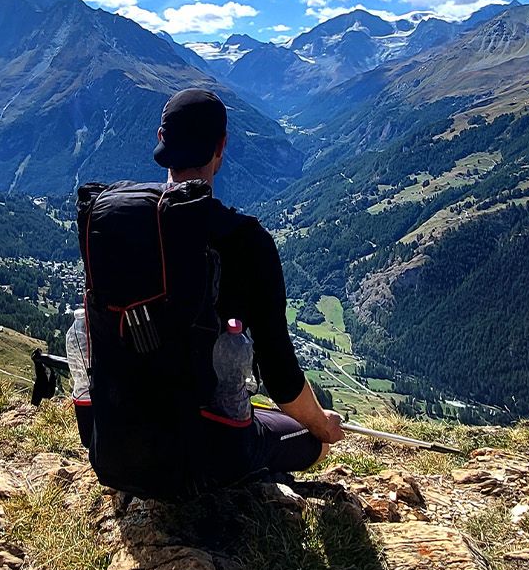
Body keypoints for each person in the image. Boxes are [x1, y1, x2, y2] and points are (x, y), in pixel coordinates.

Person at [74, 88, 345, 498]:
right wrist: (322, 423)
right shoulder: (247, 242)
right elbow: (281, 376)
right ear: (222, 146)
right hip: (204, 458)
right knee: (312, 442)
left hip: (112, 447)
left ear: (160, 138)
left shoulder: (114, 223)